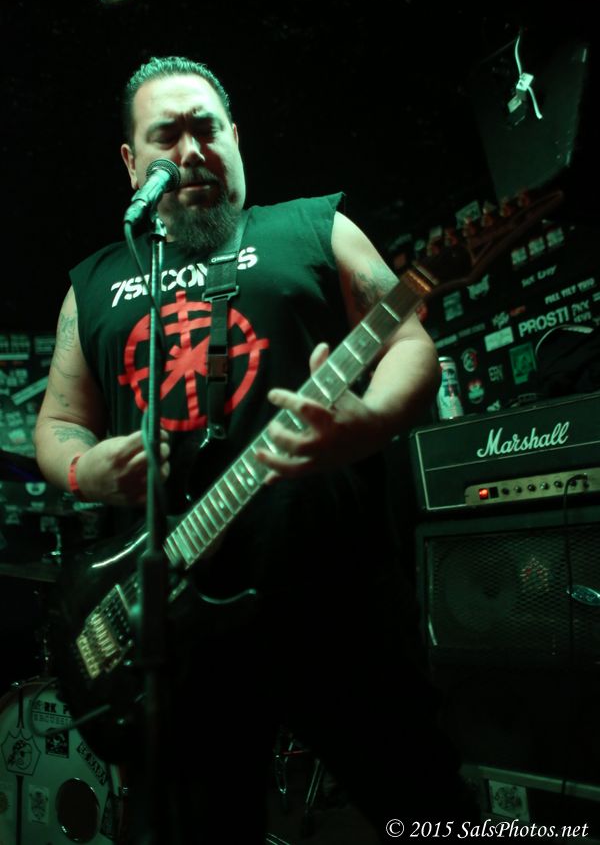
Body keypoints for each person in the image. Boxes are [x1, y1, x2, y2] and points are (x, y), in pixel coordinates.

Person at [34, 55, 477, 843]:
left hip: (336, 598)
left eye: (207, 128)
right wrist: (85, 467)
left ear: (235, 137)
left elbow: (408, 338)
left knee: (429, 811)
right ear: (132, 163)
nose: (192, 149)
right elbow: (59, 422)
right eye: (166, 136)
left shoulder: (313, 227)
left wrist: (371, 418)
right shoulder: (93, 283)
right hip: (172, 627)